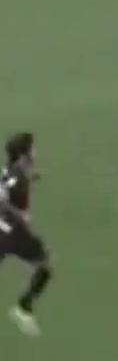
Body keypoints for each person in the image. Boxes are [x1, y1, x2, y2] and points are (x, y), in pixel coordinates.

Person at [0, 132, 53, 336]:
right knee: (45, 264)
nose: (35, 152)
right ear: (24, 155)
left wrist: (33, 177)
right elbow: (2, 200)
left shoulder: (10, 170)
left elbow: (8, 185)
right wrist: (20, 214)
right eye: (32, 149)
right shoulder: (19, 177)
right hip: (12, 232)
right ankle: (23, 308)